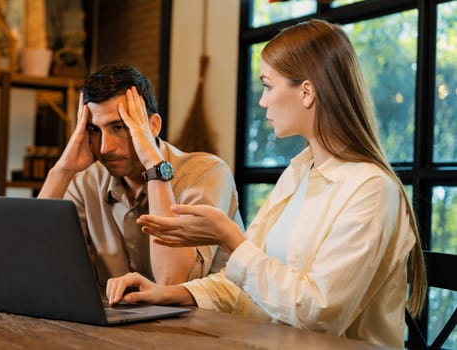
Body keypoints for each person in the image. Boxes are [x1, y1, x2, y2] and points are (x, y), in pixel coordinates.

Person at [105, 19, 427, 348]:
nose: (262, 101)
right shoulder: (299, 173)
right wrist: (168, 293)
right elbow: (245, 284)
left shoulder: (371, 190)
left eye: (268, 86)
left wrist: (229, 237)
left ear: (306, 92)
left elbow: (319, 314)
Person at [38, 64, 243, 286]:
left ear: (153, 126)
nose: (105, 147)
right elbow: (32, 257)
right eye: (94, 130)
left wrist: (153, 165)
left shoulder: (206, 173)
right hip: (123, 318)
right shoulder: (87, 181)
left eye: (118, 127)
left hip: (210, 320)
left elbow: (173, 280)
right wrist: (62, 170)